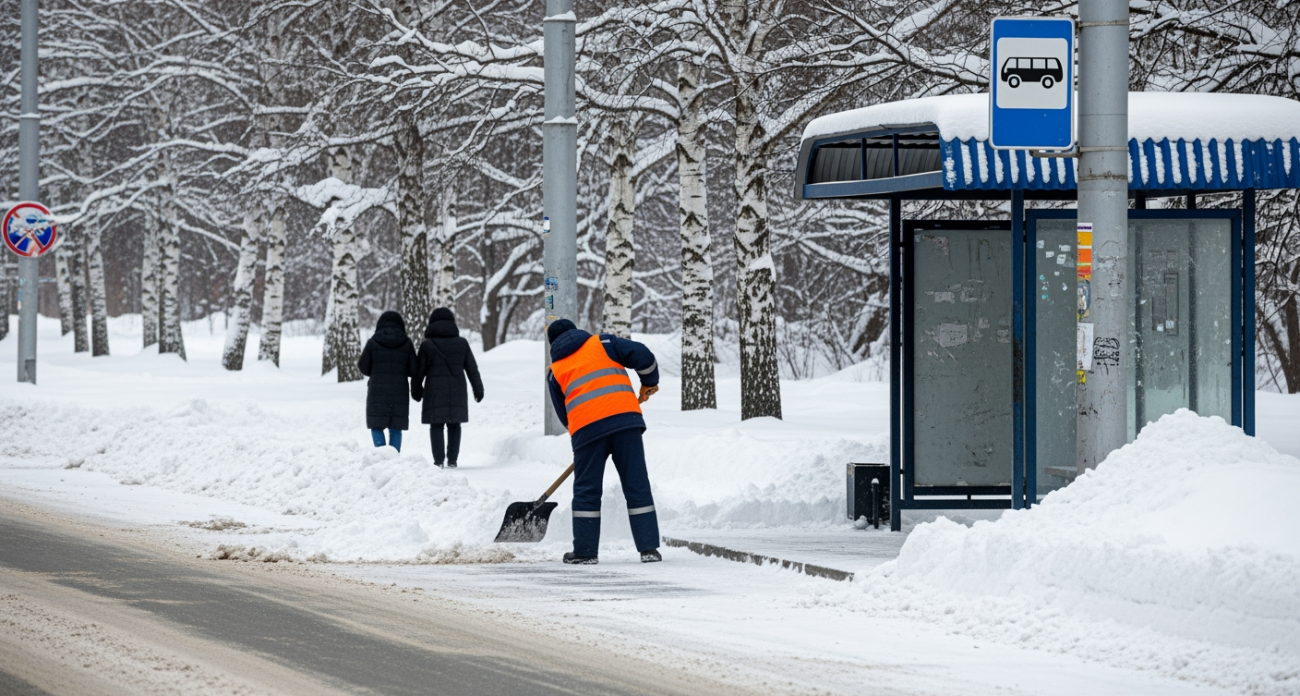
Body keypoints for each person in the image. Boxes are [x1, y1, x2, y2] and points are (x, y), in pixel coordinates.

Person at [545, 319, 662, 565]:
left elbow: (564, 415)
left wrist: (584, 434)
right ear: (576, 331)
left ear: (552, 344)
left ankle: (585, 552)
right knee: (637, 484)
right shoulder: (603, 342)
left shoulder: (554, 372)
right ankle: (649, 549)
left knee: (587, 491)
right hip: (626, 423)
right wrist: (649, 382)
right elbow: (643, 355)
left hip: (587, 432)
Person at [412, 308, 484, 468]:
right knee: (454, 424)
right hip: (457, 390)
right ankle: (452, 460)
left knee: (436, 424)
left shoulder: (427, 345)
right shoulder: (462, 343)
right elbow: (472, 368)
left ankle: (438, 461)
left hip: (434, 391)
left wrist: (416, 390)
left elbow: (419, 371)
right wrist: (478, 389)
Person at [357, 311, 418, 451]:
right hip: (399, 391)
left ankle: (381, 456)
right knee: (396, 427)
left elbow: (363, 367)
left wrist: (375, 371)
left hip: (377, 391)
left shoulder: (373, 342)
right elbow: (413, 369)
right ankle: (394, 458)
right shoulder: (407, 343)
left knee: (376, 425)